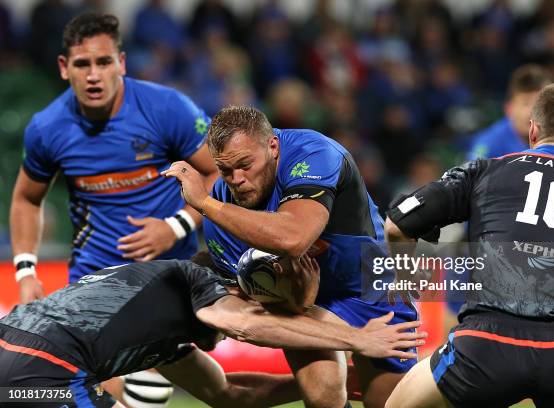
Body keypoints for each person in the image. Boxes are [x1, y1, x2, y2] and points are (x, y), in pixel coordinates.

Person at [162, 106, 420, 408]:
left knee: (388, 404)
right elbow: (260, 313)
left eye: (245, 164)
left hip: (369, 285)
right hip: (303, 305)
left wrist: (204, 203)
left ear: (273, 146)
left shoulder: (313, 152)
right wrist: (301, 300)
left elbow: (294, 237)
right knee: (321, 396)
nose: (237, 179)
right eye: (225, 170)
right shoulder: (220, 223)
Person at [384, 82, 554, 408]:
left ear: (532, 131)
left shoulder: (487, 172)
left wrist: (405, 280)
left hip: (486, 346)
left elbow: (396, 226)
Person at [0, 253, 425, 408]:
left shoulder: (161, 326)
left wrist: (333, 381)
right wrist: (358, 340)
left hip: (18, 379)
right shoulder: (192, 276)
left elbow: (226, 393)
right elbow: (241, 323)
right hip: (47, 367)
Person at [10, 12, 218, 302]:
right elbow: (26, 199)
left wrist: (176, 226)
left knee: (168, 348)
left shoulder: (167, 108)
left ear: (120, 63)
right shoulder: (47, 128)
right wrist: (25, 272)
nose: (93, 76)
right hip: (93, 281)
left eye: (104, 62)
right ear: (63, 67)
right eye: (82, 64)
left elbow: (219, 172)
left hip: (171, 272)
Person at [467, 64, 551, 160]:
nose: (533, 112)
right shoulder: (489, 144)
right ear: (509, 108)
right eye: (526, 103)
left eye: (540, 102)